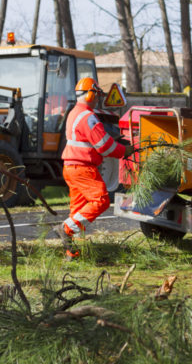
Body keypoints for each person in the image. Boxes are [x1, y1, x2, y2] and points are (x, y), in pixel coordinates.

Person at [55, 77, 135, 260]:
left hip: (72, 167)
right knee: (101, 201)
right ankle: (64, 229)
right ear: (90, 94)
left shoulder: (75, 113)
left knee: (78, 210)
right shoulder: (87, 116)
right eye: (97, 95)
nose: (98, 99)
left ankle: (71, 252)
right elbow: (104, 146)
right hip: (83, 167)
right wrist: (125, 150)